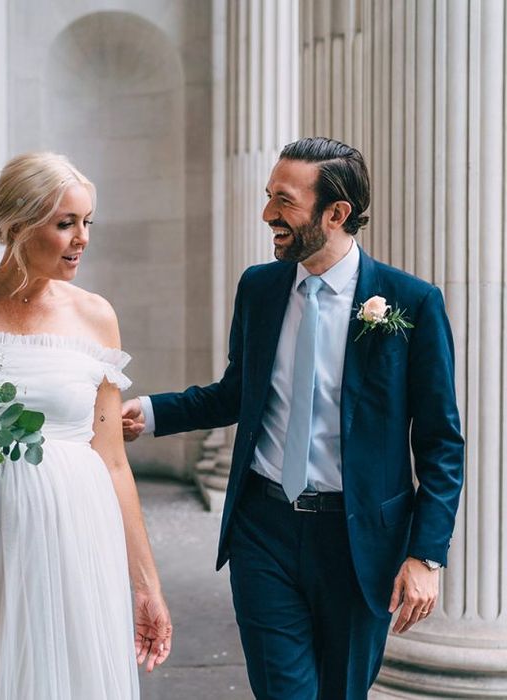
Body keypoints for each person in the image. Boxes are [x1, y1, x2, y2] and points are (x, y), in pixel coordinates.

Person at [122, 137, 464, 699]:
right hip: (264, 530)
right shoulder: (259, 288)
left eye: (283, 201)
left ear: (336, 213)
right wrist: (152, 413)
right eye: (267, 197)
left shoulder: (411, 302)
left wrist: (425, 553)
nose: (267, 216)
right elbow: (237, 393)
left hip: (360, 543)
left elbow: (441, 442)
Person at [0, 151, 172, 699]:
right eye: (65, 223)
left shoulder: (96, 316)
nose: (82, 238)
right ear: (17, 224)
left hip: (82, 531)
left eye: (87, 223)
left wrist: (146, 585)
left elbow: (112, 460)